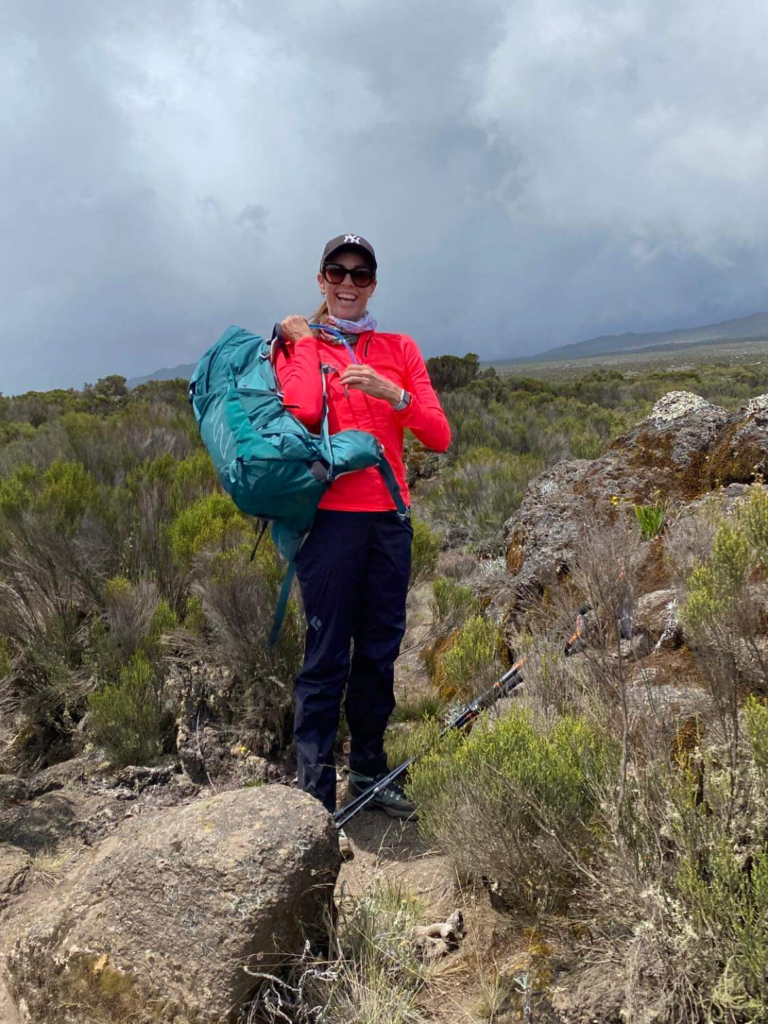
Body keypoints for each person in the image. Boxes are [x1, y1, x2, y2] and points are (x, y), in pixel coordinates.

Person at [276, 233, 451, 857]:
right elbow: (297, 410)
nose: (348, 283)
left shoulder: (399, 349)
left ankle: (370, 774)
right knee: (326, 657)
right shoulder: (300, 345)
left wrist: (390, 392)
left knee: (378, 651)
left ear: (374, 283)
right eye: (336, 272)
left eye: (360, 274)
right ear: (321, 279)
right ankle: (314, 800)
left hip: (389, 521)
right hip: (328, 524)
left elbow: (438, 435)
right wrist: (301, 344)